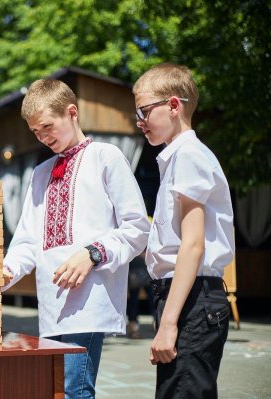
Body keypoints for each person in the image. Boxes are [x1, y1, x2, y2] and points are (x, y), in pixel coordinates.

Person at [2, 78, 150, 398]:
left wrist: (92, 253)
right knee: (57, 391)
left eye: (47, 127)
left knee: (73, 391)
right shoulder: (39, 173)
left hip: (89, 299)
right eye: (35, 132)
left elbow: (138, 228)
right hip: (50, 303)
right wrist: (6, 272)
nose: (42, 137)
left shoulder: (106, 157)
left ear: (72, 112)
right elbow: (28, 241)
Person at [133, 63, 234, 398]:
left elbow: (192, 247)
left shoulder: (188, 156)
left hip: (193, 300)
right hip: (185, 297)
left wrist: (168, 323)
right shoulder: (177, 158)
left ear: (173, 106)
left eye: (144, 111)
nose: (139, 121)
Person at [126, 251, 154, 339]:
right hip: (140, 268)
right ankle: (134, 327)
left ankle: (134, 328)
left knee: (151, 298)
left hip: (140, 268)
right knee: (151, 299)